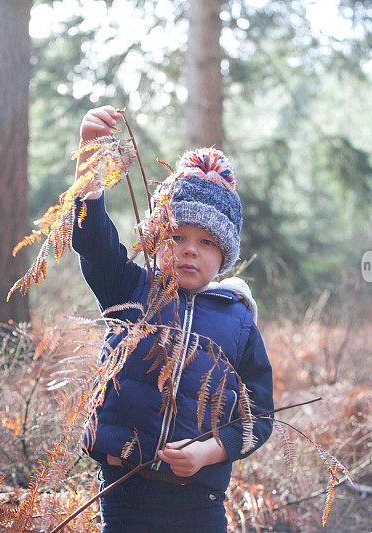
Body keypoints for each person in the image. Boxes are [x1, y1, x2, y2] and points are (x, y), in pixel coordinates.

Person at [71, 105, 274, 532]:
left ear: (225, 255)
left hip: (198, 499)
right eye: (177, 236)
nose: (188, 250)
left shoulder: (238, 321)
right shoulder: (132, 290)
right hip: (125, 490)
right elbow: (95, 243)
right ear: (157, 237)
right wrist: (91, 162)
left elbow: (259, 413)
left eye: (206, 241)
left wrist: (211, 451)